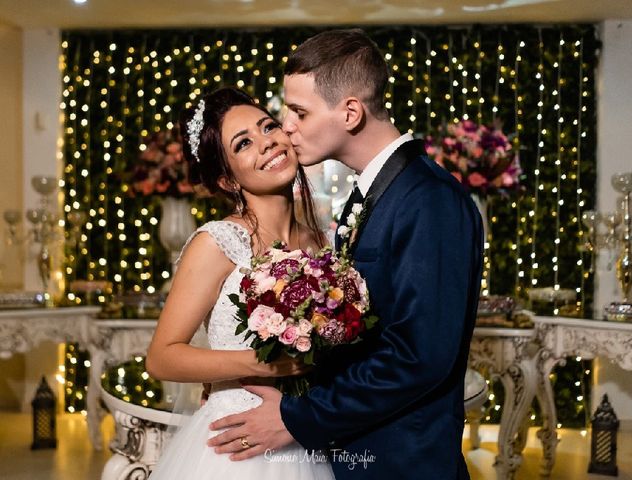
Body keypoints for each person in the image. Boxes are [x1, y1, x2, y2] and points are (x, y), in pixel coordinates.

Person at [207, 29, 484, 479]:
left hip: (403, 461)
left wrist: (297, 417)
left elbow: (418, 357)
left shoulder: (428, 199)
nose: (285, 128)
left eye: (298, 112)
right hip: (360, 452)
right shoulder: (371, 196)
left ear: (351, 111)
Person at [145, 87, 334, 479]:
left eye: (268, 127)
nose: (267, 143)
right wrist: (268, 366)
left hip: (308, 428)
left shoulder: (323, 243)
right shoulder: (217, 243)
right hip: (238, 446)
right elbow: (162, 356)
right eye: (244, 143)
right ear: (227, 180)